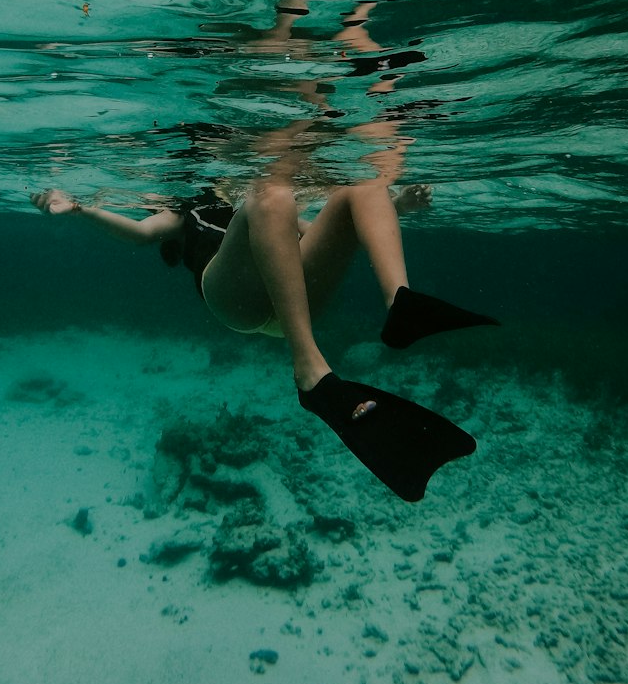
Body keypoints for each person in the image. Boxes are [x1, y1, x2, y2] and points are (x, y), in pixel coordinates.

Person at [31, 169, 499, 501]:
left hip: (292, 297)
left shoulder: (261, 203)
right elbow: (139, 232)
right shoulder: (185, 211)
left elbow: (327, 232)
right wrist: (80, 209)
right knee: (269, 193)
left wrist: (393, 205)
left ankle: (401, 303)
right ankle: (309, 368)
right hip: (235, 301)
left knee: (360, 184)